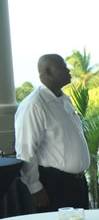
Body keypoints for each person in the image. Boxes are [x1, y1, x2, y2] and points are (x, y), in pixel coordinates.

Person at [15, 54, 90, 211]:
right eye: (62, 67)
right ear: (47, 73)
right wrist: (35, 188)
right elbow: (26, 149)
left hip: (76, 184)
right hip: (54, 184)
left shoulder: (64, 100)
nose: (68, 70)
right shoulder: (34, 105)